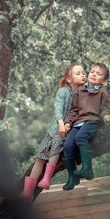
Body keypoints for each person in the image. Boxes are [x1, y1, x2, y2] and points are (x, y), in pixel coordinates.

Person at [21, 63, 86, 203]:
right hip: (54, 128)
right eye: (78, 73)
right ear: (69, 79)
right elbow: (58, 109)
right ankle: (28, 192)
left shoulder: (82, 95)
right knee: (40, 158)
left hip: (65, 131)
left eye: (83, 72)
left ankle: (46, 179)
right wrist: (61, 123)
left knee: (55, 150)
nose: (83, 75)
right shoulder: (63, 91)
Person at [62, 62, 110, 191]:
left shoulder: (102, 93)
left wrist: (106, 116)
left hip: (93, 121)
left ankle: (87, 169)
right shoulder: (79, 90)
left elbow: (104, 109)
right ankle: (72, 177)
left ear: (104, 81)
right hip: (78, 121)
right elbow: (73, 110)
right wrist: (68, 122)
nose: (94, 74)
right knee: (67, 145)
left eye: (99, 74)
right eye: (93, 72)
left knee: (81, 137)